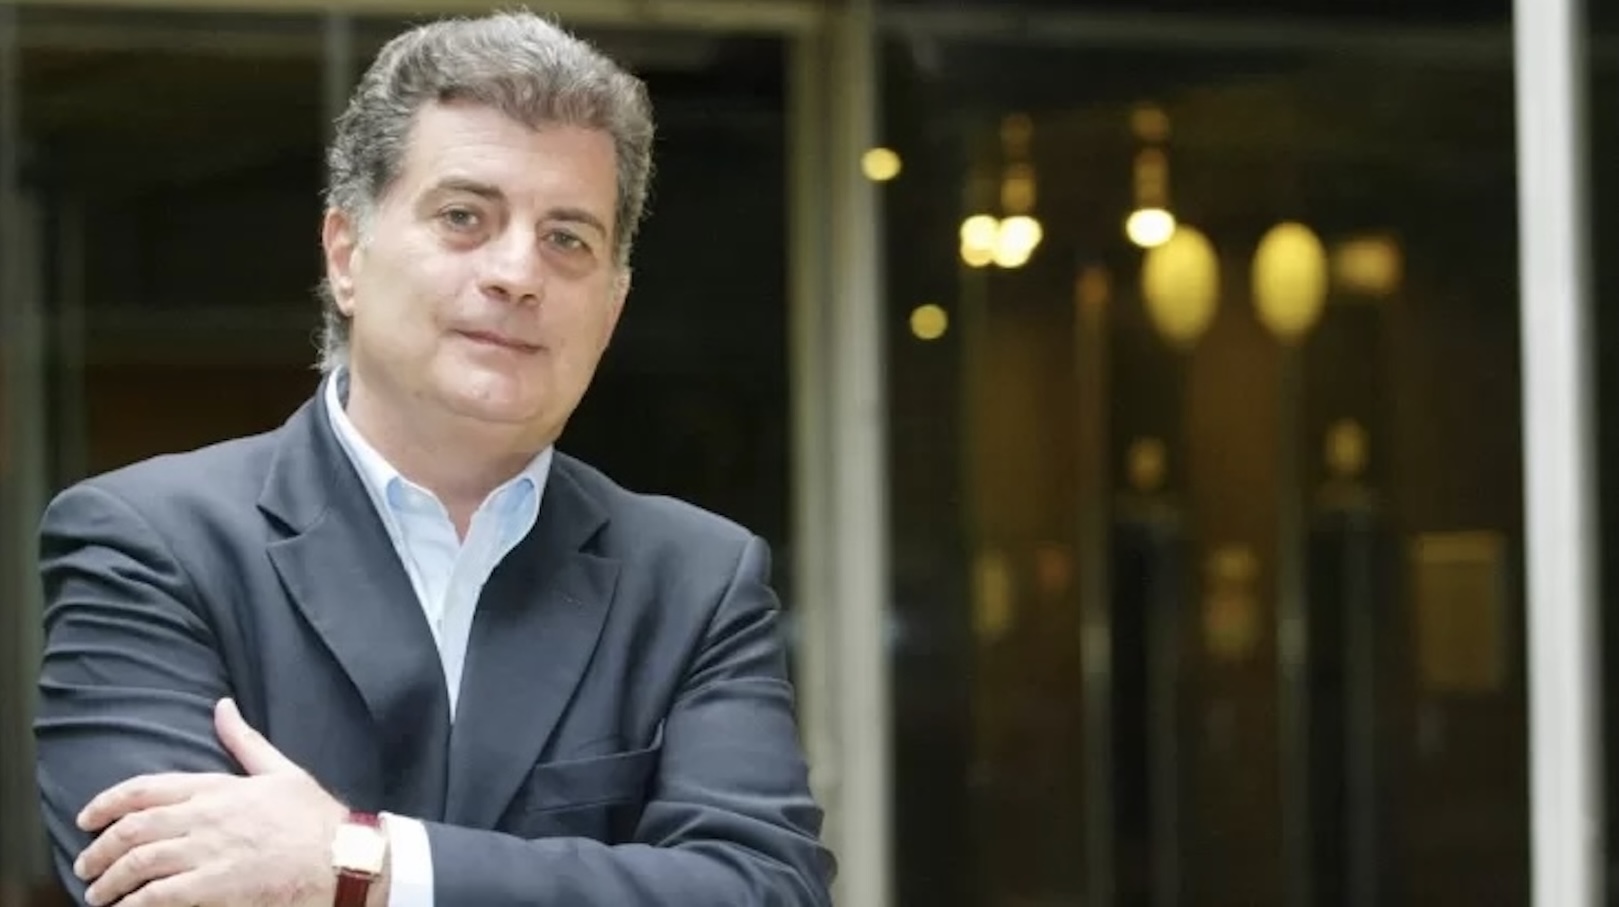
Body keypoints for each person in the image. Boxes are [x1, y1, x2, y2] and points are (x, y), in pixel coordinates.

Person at [32, 11, 834, 907]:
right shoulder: (153, 544)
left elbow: (765, 890)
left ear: (611, 308)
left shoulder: (693, 582)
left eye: (567, 238)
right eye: (463, 217)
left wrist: (361, 865)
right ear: (346, 255)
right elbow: (156, 887)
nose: (517, 273)